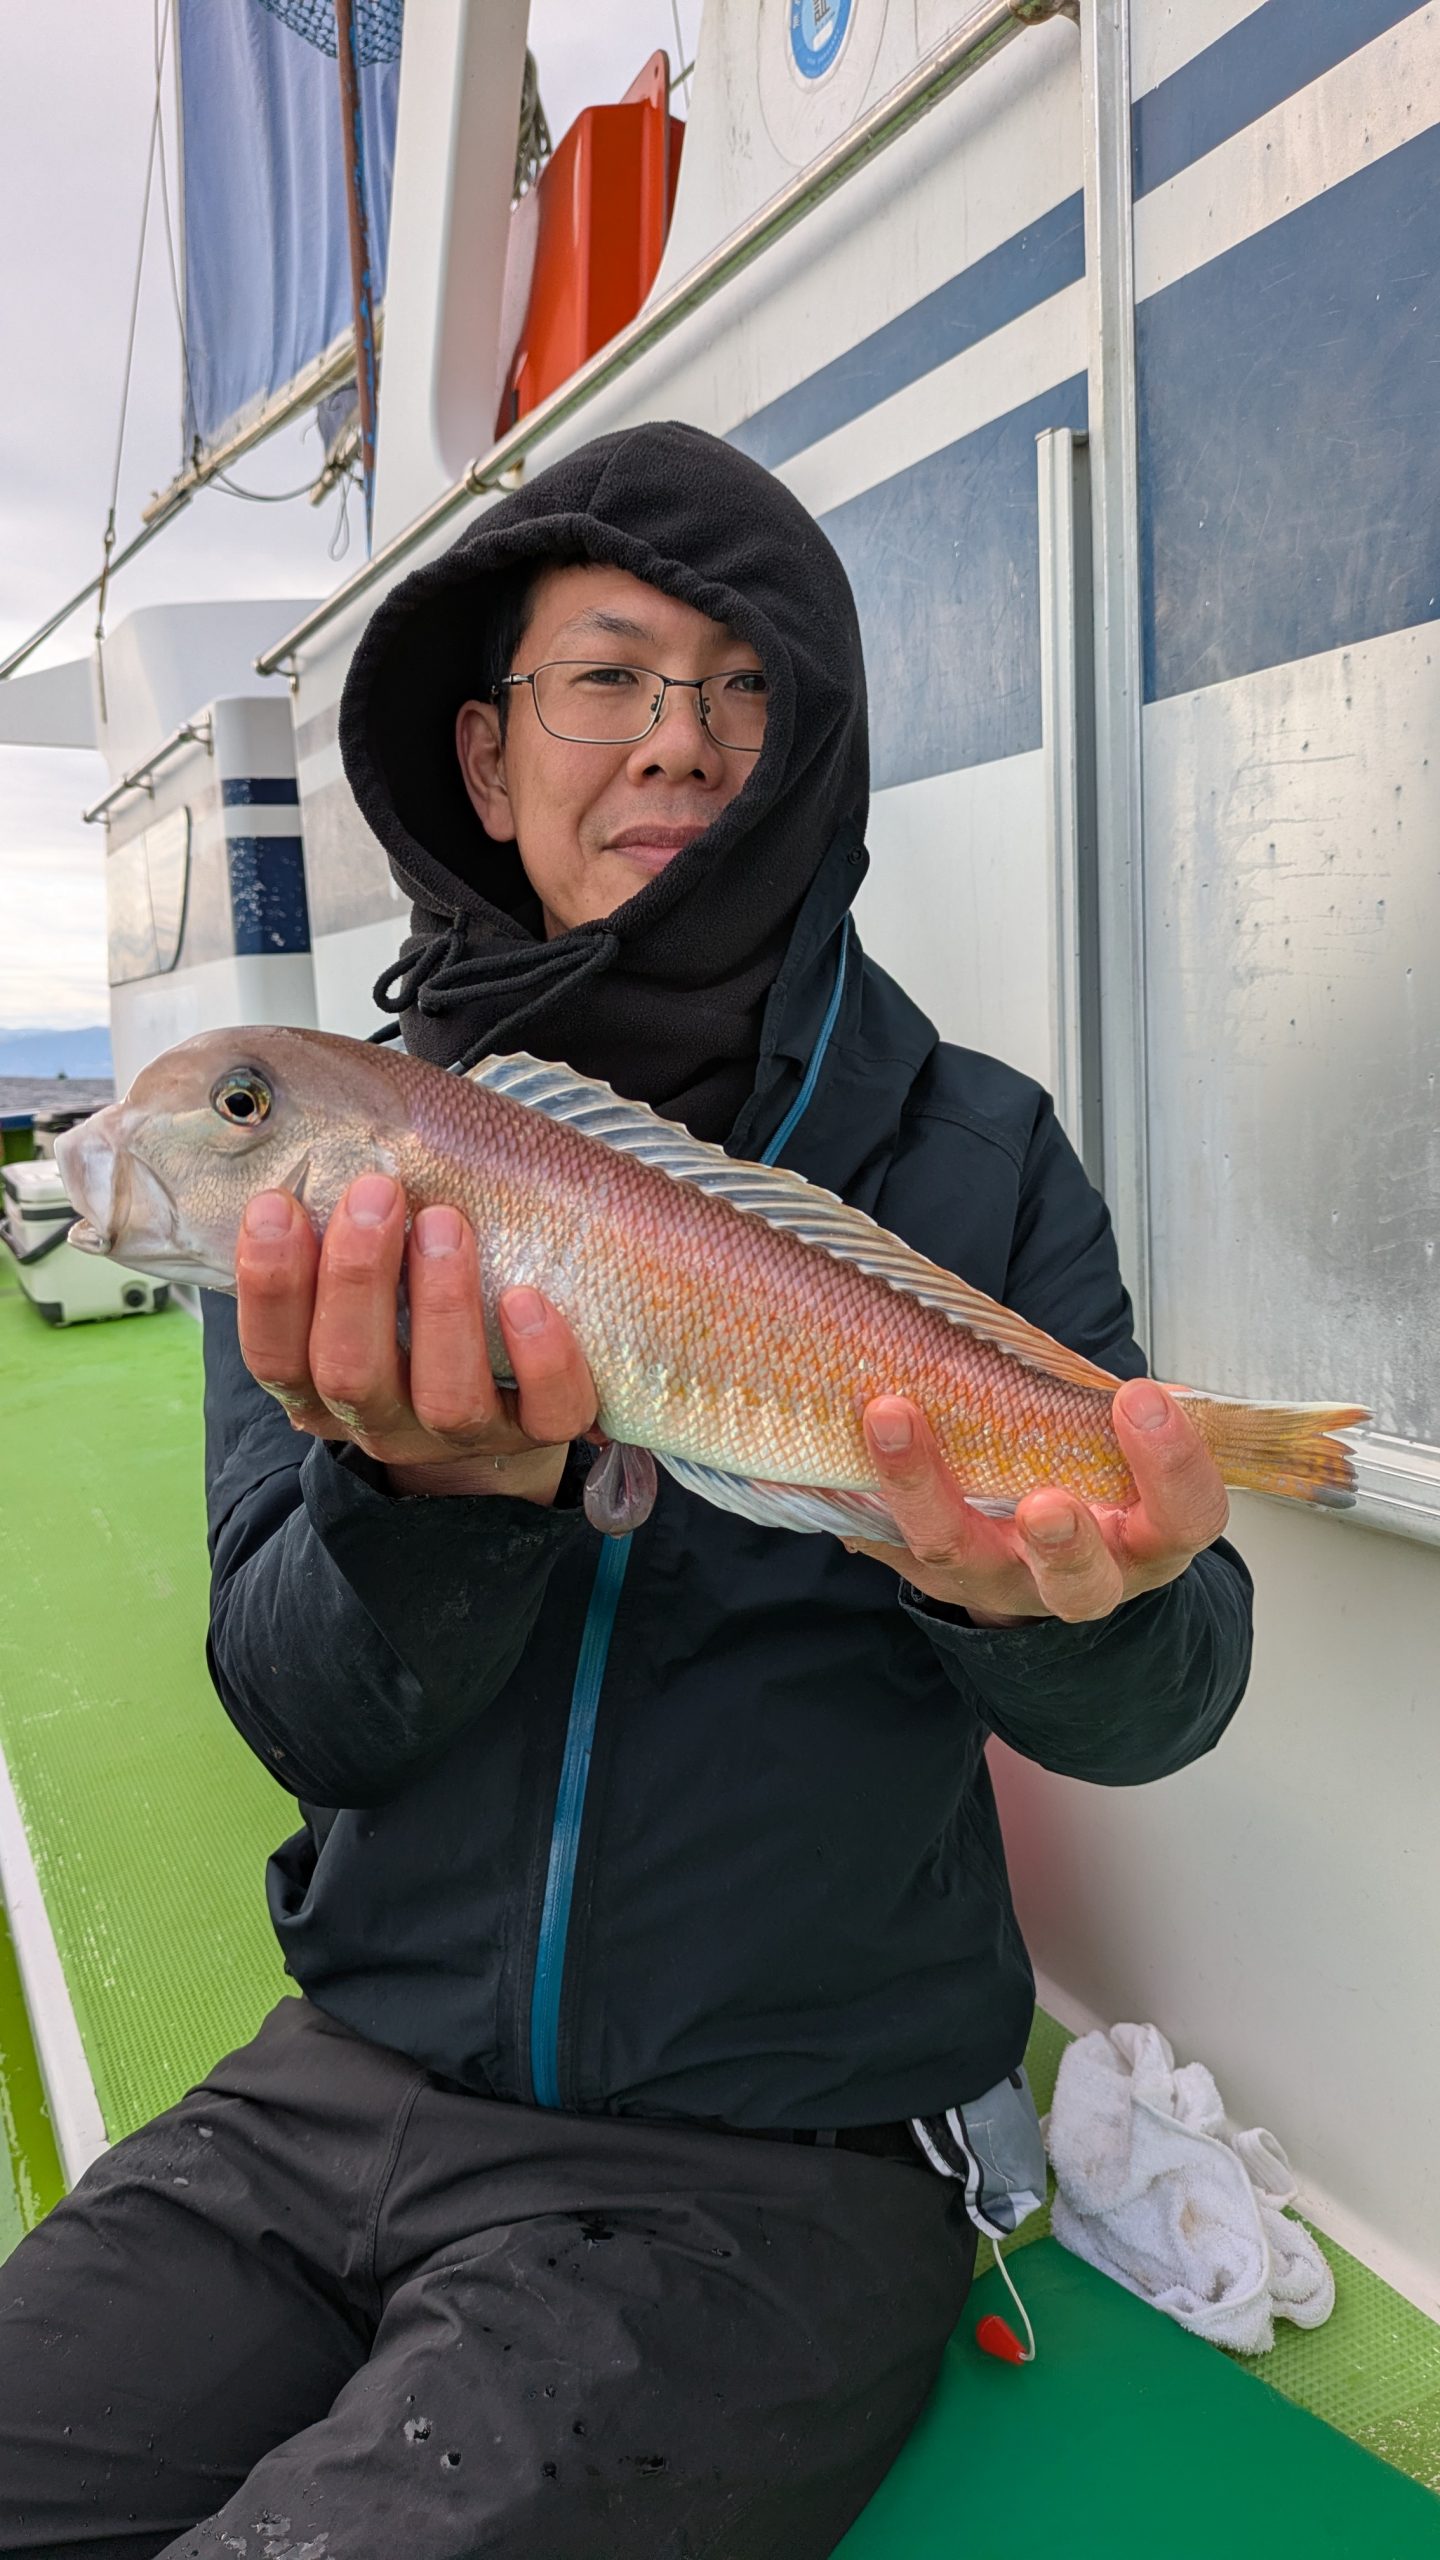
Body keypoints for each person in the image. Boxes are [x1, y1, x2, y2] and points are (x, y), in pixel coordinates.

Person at [0, 422, 1251, 2559]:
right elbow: (302, 1706)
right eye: (608, 676)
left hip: (773, 2164)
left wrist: (1056, 1592)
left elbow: (1171, 1689)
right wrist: (433, 1492)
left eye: (741, 685)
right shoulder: (333, 1162)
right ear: (485, 758)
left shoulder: (974, 1152)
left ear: (804, 756)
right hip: (340, 2085)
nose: (678, 740)